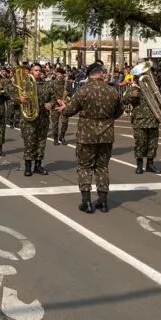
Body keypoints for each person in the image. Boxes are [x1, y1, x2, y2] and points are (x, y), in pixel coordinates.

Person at [57, 61, 124, 213]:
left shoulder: (83, 91)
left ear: (89, 76)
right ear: (100, 74)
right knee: (102, 167)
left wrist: (63, 108)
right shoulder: (112, 91)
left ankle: (86, 202)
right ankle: (103, 201)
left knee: (85, 167)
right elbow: (119, 111)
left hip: (87, 136)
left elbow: (69, 111)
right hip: (106, 135)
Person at [14, 63, 54, 176]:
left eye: (39, 70)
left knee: (41, 143)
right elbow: (12, 98)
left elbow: (54, 97)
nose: (38, 72)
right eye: (36, 70)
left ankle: (38, 166)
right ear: (31, 72)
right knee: (29, 142)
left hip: (43, 118)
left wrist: (51, 103)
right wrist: (19, 99)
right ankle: (27, 167)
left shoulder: (46, 85)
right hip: (29, 120)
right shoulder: (25, 84)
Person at [122, 79, 161, 174]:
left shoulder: (153, 88)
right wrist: (132, 95)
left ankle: (150, 165)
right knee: (140, 144)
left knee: (152, 144)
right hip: (140, 121)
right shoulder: (133, 89)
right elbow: (124, 101)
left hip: (153, 121)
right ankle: (139, 165)